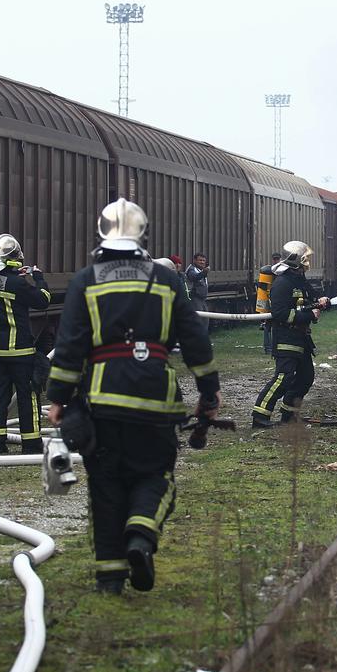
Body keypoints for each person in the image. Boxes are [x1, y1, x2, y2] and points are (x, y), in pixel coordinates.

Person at [46, 199, 220, 595]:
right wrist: (209, 392)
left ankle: (110, 578)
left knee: (105, 486)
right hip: (155, 400)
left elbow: (70, 344)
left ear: (102, 234)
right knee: (155, 475)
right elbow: (195, 340)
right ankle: (141, 535)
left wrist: (57, 397)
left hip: (102, 401)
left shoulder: (86, 281)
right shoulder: (167, 280)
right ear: (143, 235)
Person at [0, 234, 52, 455]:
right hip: (19, 351)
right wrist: (38, 278)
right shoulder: (19, 283)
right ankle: (31, 444)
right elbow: (43, 300)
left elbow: (4, 285)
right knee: (27, 396)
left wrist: (13, 276)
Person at [250, 241, 329, 428]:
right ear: (295, 260)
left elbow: (310, 300)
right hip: (286, 337)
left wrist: (322, 302)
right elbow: (280, 313)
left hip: (301, 338)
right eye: (305, 259)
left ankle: (289, 415)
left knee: (305, 377)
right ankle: (260, 416)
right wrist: (309, 314)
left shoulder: (299, 280)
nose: (307, 263)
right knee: (283, 378)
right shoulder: (282, 283)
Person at [257, 252, 283, 355]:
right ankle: (268, 348)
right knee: (268, 325)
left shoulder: (277, 271)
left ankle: (273, 346)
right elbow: (263, 289)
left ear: (280, 259)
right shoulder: (268, 272)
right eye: (274, 259)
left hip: (276, 300)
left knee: (274, 326)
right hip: (270, 300)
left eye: (277, 259)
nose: (276, 260)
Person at [184, 252, 210, 330]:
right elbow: (194, 277)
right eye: (200, 260)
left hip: (202, 299)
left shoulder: (200, 270)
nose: (202, 262)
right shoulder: (192, 269)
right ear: (194, 260)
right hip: (194, 298)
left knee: (205, 320)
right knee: (198, 320)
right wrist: (204, 272)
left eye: (203, 260)